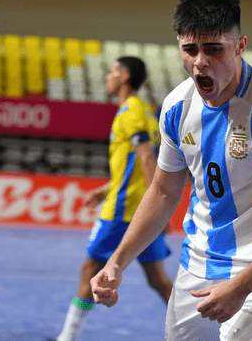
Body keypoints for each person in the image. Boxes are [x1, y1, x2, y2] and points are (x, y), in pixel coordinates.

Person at [90, 0, 252, 341]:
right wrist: (117, 261)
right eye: (190, 49)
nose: (200, 62)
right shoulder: (176, 107)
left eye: (214, 49)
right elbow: (164, 192)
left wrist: (242, 286)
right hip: (196, 265)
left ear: (240, 45)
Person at [49, 57, 174, 341]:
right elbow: (134, 168)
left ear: (125, 76)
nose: (108, 76)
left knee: (90, 269)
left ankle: (67, 337)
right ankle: (194, 332)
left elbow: (146, 158)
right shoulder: (146, 111)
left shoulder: (130, 113)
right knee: (158, 280)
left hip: (123, 210)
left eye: (113, 71)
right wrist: (106, 189)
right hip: (142, 208)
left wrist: (162, 203)